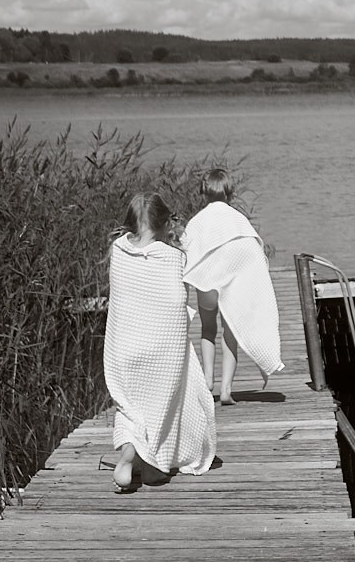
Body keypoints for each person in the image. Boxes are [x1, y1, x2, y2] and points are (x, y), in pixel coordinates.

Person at [104, 192, 217, 493]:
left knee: (132, 409)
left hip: (125, 347)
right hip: (161, 349)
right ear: (164, 223)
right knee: (161, 407)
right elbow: (178, 302)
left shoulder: (118, 250)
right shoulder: (173, 258)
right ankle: (153, 464)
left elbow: (122, 299)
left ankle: (130, 458)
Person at [181, 167, 284, 404]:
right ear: (230, 193)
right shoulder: (238, 220)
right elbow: (253, 253)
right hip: (232, 286)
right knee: (231, 333)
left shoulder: (197, 221)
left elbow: (187, 253)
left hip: (207, 285)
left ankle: (208, 380)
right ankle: (226, 390)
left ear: (203, 193)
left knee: (208, 329)